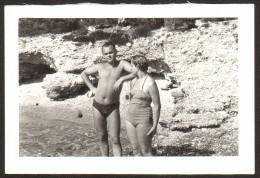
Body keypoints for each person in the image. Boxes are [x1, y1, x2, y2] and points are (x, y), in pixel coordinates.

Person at [81, 41, 137, 156]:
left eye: (111, 52)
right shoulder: (100, 66)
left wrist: (122, 79)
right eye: (106, 54)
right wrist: (92, 88)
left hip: (113, 107)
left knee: (115, 139)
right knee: (102, 137)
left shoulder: (122, 64)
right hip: (98, 106)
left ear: (116, 52)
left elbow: (135, 72)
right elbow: (83, 74)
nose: (109, 55)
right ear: (103, 55)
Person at [119, 55, 161, 156]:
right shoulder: (133, 81)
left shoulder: (150, 82)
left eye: (132, 66)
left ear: (138, 66)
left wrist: (155, 125)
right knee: (136, 151)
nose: (131, 68)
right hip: (130, 118)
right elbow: (132, 98)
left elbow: (157, 105)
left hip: (143, 118)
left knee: (146, 151)